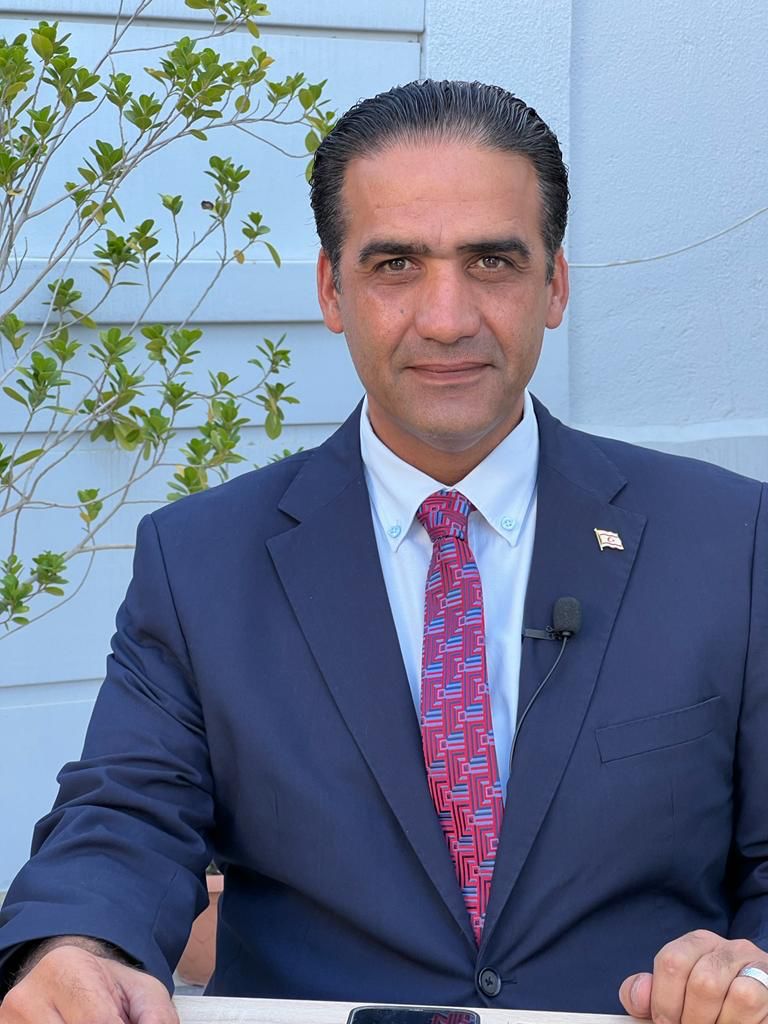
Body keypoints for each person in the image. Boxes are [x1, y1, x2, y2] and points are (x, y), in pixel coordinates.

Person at [0, 80, 767, 1024]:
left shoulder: (729, 540)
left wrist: (750, 975)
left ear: (555, 286)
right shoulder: (199, 561)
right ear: (332, 289)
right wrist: (79, 946)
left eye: (492, 261)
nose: (447, 317)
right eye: (396, 264)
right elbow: (126, 816)